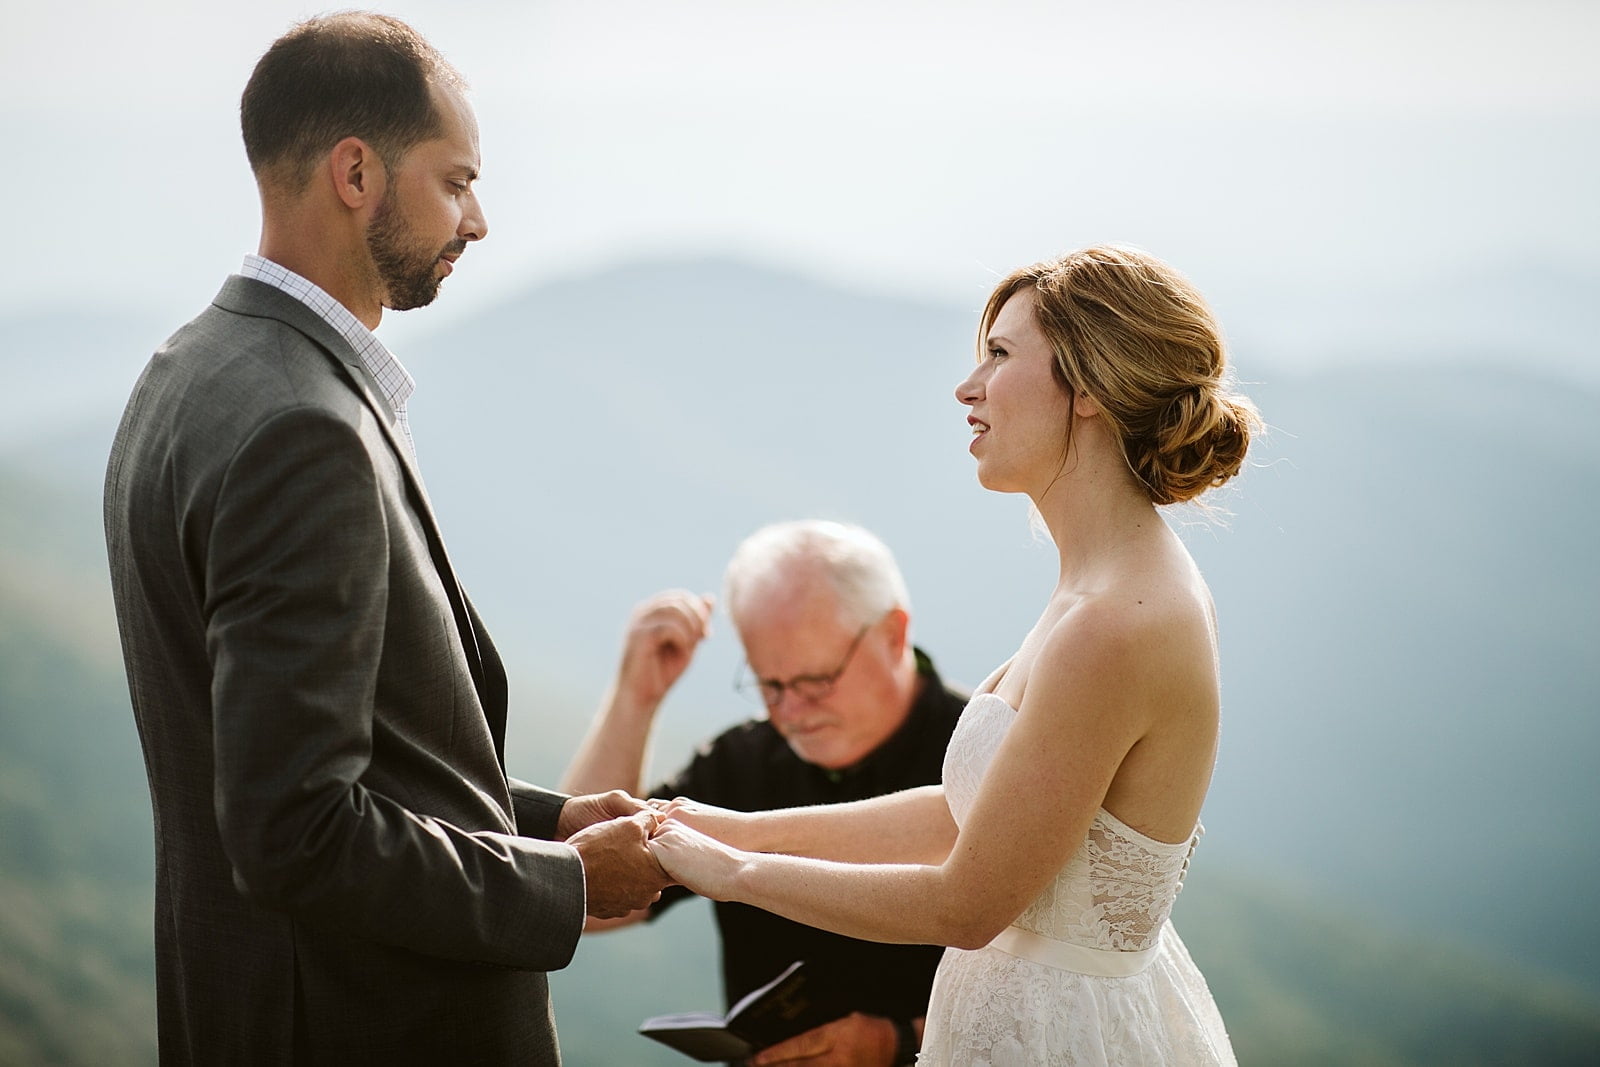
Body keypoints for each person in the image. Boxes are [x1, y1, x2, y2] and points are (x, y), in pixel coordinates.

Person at [102, 14, 667, 1065]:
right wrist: (568, 882)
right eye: (456, 182)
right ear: (355, 172)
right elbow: (296, 829)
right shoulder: (302, 428)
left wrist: (540, 819)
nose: (478, 220)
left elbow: (344, 759)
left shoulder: (189, 368)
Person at [648, 245, 1256, 1064]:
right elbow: (966, 813)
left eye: (1000, 354)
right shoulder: (1101, 583)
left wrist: (732, 872)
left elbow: (965, 903)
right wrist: (742, 830)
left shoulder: (1116, 622)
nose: (968, 387)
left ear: (1088, 388)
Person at [561, 520, 967, 1065]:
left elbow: (1056, 981)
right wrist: (636, 696)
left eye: (816, 680)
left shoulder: (984, 756)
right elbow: (584, 897)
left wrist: (896, 1042)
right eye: (770, 686)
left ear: (893, 634)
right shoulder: (741, 761)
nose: (792, 711)